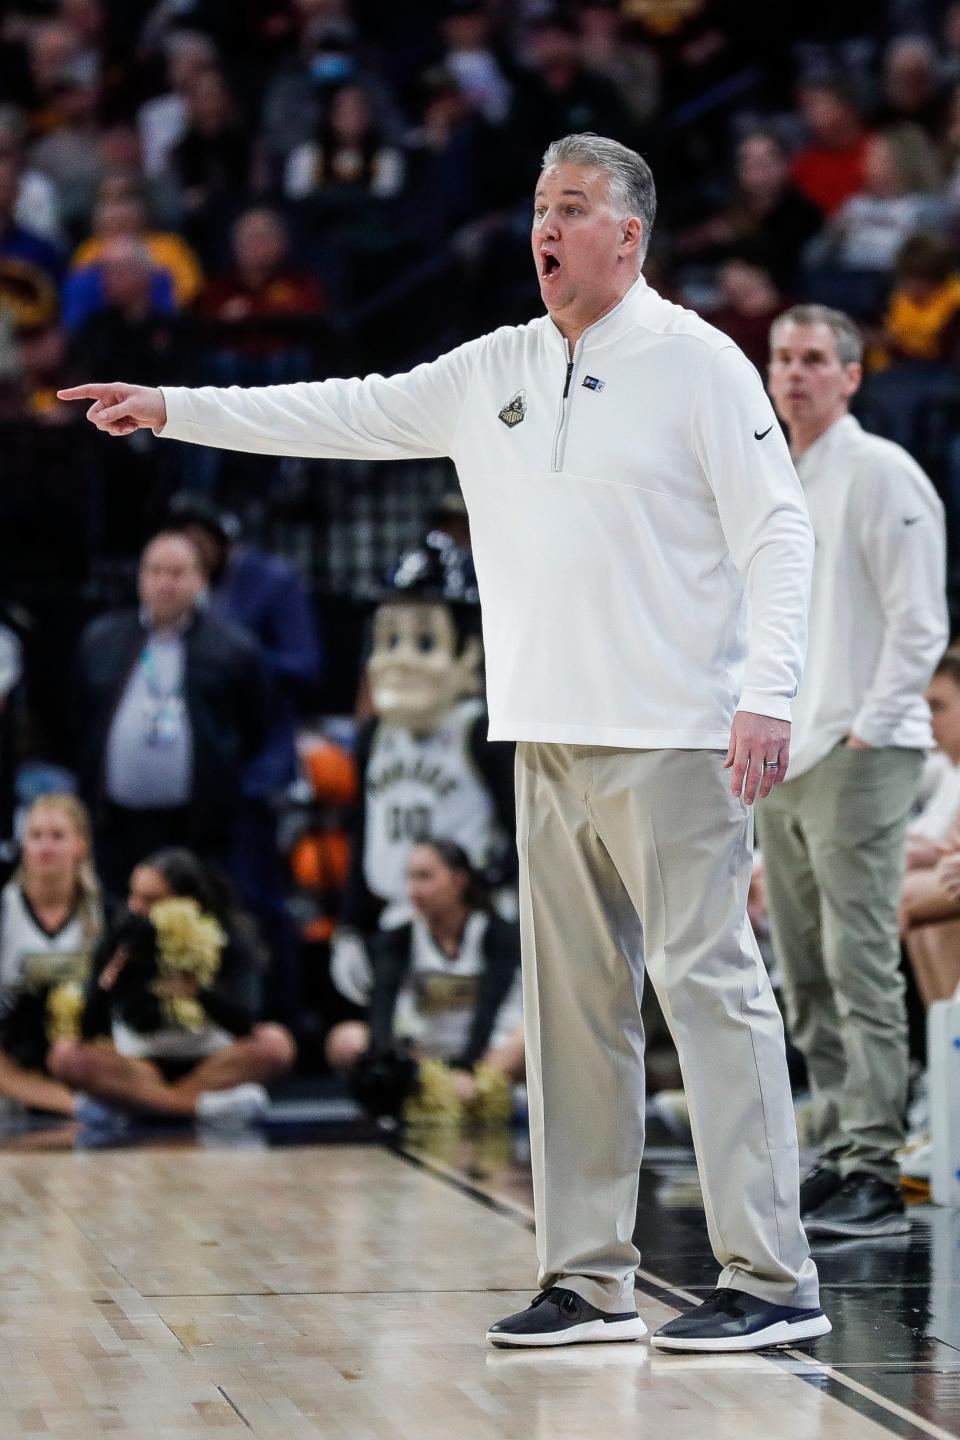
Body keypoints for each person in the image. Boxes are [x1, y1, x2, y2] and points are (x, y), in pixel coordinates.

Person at [59, 130, 827, 1355]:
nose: (545, 227)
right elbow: (344, 410)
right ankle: (588, 1278)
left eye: (571, 208)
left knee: (711, 996)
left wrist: (768, 695)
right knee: (576, 1015)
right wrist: (174, 409)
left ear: (629, 236)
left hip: (676, 734)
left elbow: (780, 535)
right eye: (538, 207)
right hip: (543, 734)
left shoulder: (702, 365)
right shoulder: (497, 367)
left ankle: (772, 1276)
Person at [763, 304, 948, 1238]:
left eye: (813, 359)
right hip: (788, 752)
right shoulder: (773, 478)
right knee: (800, 965)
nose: (793, 374)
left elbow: (922, 620)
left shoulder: (881, 472)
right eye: (782, 358)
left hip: (861, 750)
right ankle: (840, 1150)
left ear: (851, 375)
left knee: (857, 954)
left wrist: (872, 731)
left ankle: (875, 1164)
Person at [71, 531, 271, 899]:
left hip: (194, 828)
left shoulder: (233, 648)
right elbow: (77, 719)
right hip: (116, 824)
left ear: (200, 579)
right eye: (155, 571)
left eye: (177, 573)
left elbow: (254, 726)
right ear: (140, 577)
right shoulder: (101, 639)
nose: (165, 583)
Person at [50, 848, 295, 1124]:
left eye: (152, 900)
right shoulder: (121, 936)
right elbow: (87, 1029)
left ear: (189, 902)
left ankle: (136, 1106)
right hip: (138, 1065)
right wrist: (111, 979)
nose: (137, 908)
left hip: (213, 1061)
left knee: (276, 1044)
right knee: (65, 1055)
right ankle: (202, 1108)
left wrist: (198, 993)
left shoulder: (227, 938)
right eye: (134, 896)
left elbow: (244, 1022)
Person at [327, 838, 523, 1120]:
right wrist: (386, 1063)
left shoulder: (496, 932)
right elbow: (381, 1006)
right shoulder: (398, 938)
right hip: (424, 1056)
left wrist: (467, 1068)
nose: (414, 889)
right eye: (409, 878)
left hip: (487, 1052)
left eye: (425, 877)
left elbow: (489, 1007)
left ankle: (460, 1095)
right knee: (344, 1040)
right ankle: (451, 1098)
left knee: (530, 1039)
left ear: (458, 880)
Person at [0, 793, 104, 1116]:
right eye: (35, 836)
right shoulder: (5, 908)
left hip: (77, 1052)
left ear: (81, 845)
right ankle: (78, 1107)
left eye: (57, 836)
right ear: (24, 846)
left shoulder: (105, 914)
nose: (45, 846)